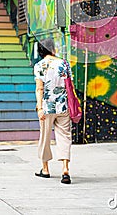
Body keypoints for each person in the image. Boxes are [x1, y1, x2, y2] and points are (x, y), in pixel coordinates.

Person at [34, 37, 72, 184]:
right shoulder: (64, 64)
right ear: (53, 48)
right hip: (63, 106)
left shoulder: (39, 66)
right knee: (64, 137)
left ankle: (45, 169)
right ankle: (65, 169)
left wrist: (39, 107)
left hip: (47, 107)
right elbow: (69, 85)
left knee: (45, 137)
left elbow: (39, 88)